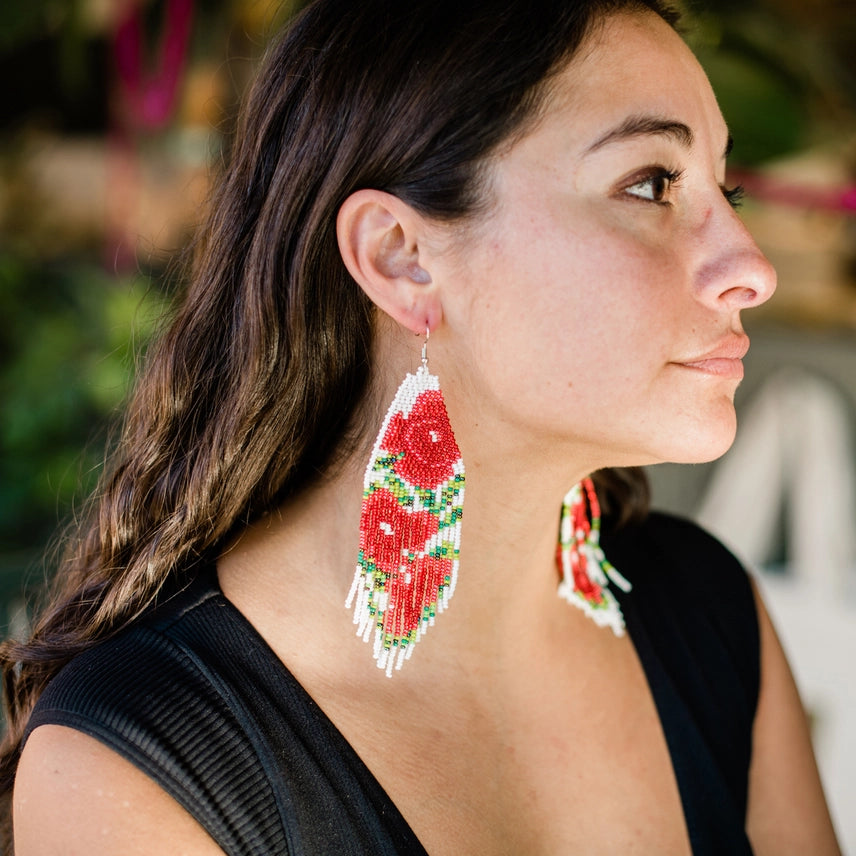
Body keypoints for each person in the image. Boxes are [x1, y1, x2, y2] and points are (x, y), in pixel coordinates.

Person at [0, 0, 842, 853]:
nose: (752, 268)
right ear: (402, 257)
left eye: (724, 188)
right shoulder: (145, 763)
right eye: (652, 184)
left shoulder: (708, 613)